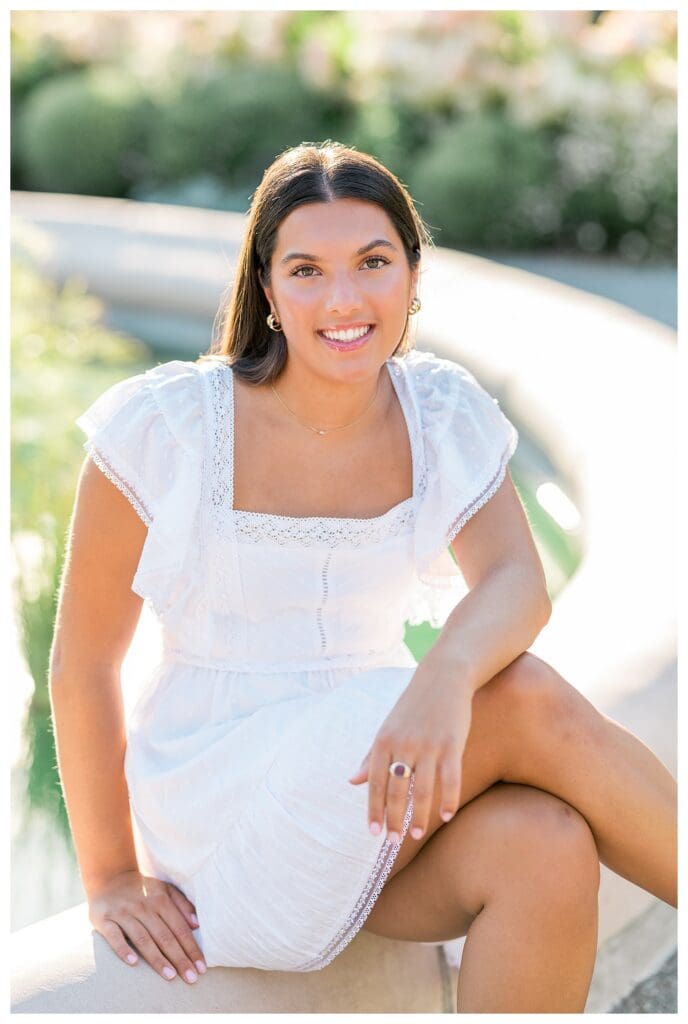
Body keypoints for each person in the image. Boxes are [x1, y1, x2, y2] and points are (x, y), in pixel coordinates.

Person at [49, 141, 677, 1013]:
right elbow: (83, 664)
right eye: (307, 270)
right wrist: (112, 875)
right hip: (227, 805)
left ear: (413, 275)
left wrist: (443, 680)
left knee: (546, 842)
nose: (344, 299)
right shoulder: (166, 427)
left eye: (373, 262)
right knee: (524, 694)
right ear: (267, 289)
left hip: (368, 788)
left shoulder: (440, 411)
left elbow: (513, 583)